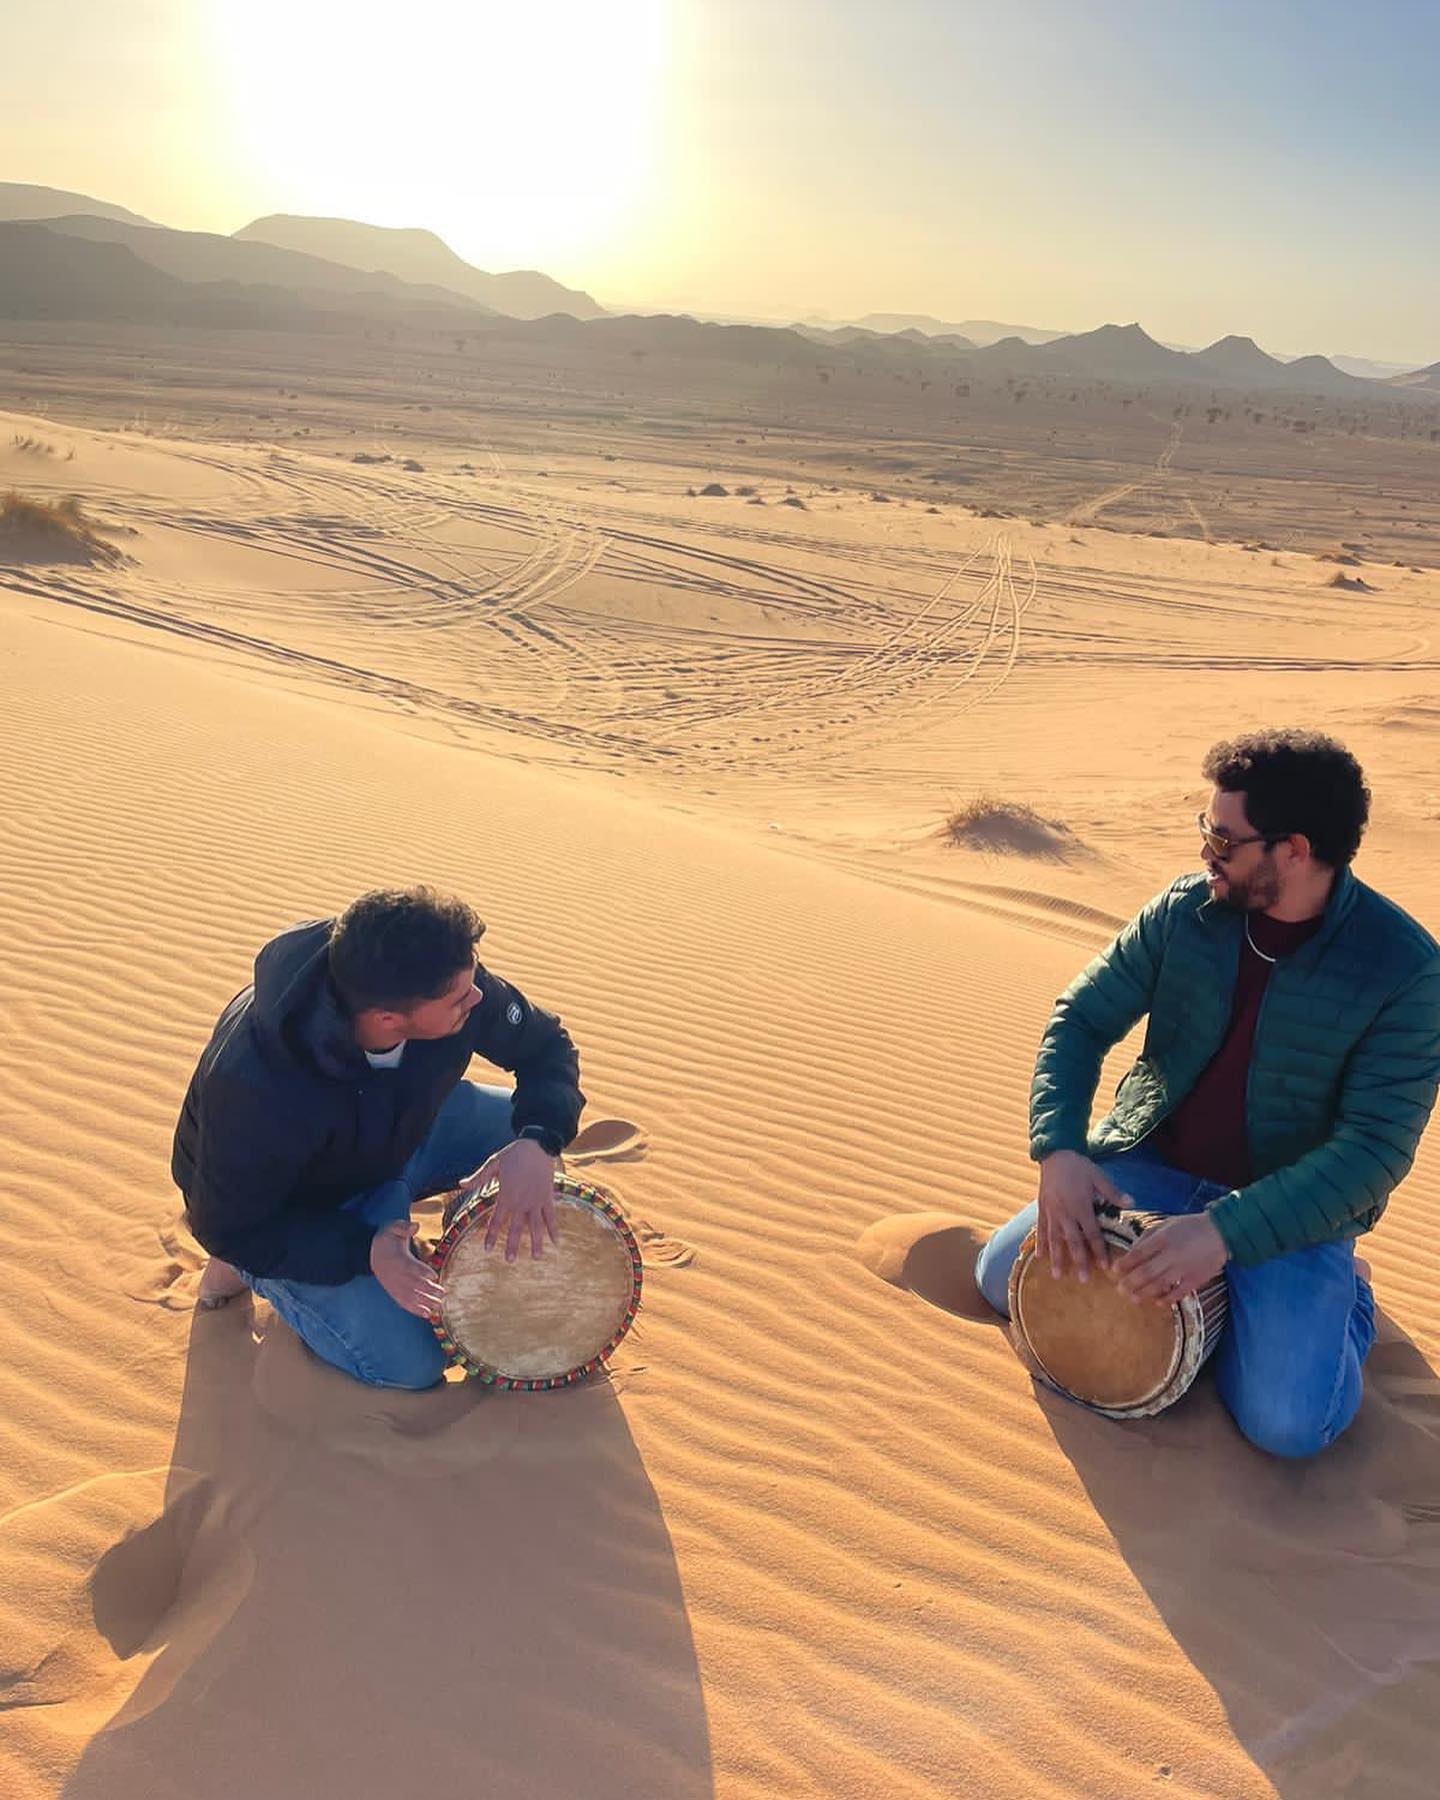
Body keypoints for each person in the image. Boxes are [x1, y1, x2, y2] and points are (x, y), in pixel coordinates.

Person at [975, 730, 1440, 1458]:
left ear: (1293, 850)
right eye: (1206, 830)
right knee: (1000, 1274)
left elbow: (1372, 1153)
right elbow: (1083, 1017)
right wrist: (1060, 1149)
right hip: (1151, 1162)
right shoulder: (1186, 911)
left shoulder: (1405, 971)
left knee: (1288, 1428)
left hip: (1288, 1204)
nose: (1205, 853)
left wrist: (1226, 1233)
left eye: (1223, 839)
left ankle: (1346, 1298)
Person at [172, 887, 584, 1389]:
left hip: (401, 1132)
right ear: (387, 1020)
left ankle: (456, 1236)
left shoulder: (439, 977)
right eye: (460, 997)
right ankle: (255, 1273)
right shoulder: (254, 1086)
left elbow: (546, 1047)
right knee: (411, 1366)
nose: (477, 999)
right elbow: (224, 1224)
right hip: (304, 1204)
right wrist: (365, 1249)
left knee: (527, 1142)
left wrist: (539, 1140)